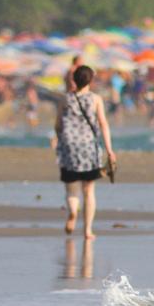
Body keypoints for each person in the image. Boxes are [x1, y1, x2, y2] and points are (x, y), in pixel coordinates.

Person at [54, 65, 116, 239]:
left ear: (74, 80)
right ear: (90, 80)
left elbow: (58, 125)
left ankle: (73, 212)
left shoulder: (65, 99)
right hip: (89, 148)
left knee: (71, 188)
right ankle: (88, 230)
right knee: (89, 190)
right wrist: (110, 149)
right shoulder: (96, 99)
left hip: (69, 148)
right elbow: (103, 124)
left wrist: (59, 140)